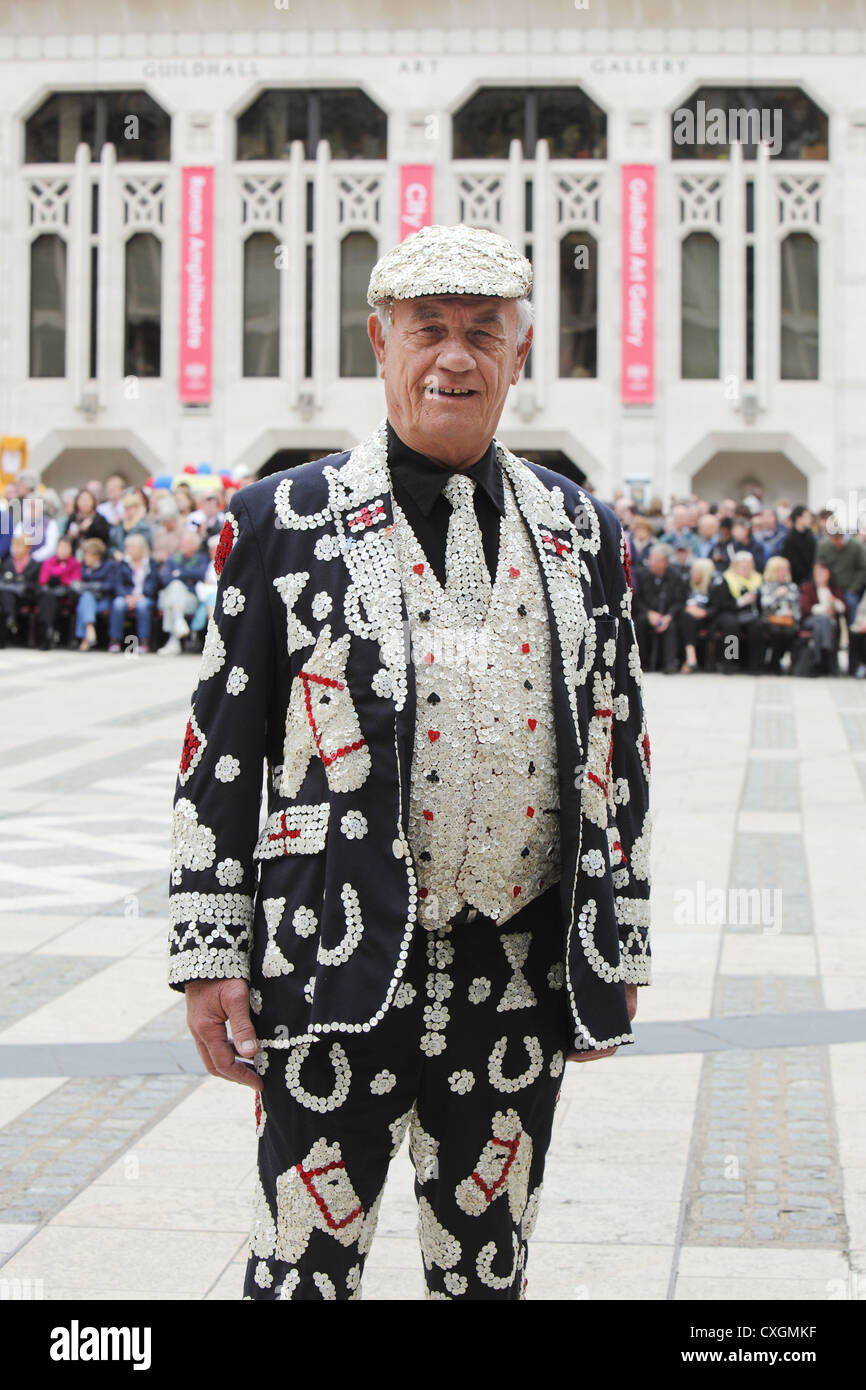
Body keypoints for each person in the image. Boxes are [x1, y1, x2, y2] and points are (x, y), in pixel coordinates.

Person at [167, 222, 652, 1302]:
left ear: (519, 354)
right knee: (301, 1264)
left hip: (515, 977)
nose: (454, 357)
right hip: (327, 963)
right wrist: (209, 950)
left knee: (486, 1272)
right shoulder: (280, 520)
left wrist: (611, 951)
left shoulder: (587, 533)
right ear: (378, 340)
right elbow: (219, 750)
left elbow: (619, 750)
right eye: (428, 330)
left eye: (482, 333)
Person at [631, 542, 686, 673]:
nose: (652, 563)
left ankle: (670, 663)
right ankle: (642, 663)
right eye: (651, 559)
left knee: (672, 626)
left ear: (665, 562)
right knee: (641, 622)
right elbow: (636, 599)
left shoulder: (675, 576)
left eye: (656, 561)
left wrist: (669, 616)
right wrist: (649, 613)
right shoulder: (641, 574)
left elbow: (679, 600)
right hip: (646, 612)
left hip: (667, 613)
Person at [707, 550, 765, 674]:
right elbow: (721, 603)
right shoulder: (726, 579)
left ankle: (754, 664)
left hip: (749, 614)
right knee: (731, 626)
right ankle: (729, 662)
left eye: (748, 566)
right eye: (741, 566)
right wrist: (741, 602)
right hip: (728, 612)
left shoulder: (757, 580)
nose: (745, 568)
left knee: (757, 626)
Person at [157, 526, 209, 656]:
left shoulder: (201, 559)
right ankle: (178, 621)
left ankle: (173, 640)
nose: (183, 545)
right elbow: (165, 579)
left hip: (191, 599)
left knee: (174, 594)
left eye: (187, 543)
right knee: (175, 587)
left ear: (195, 546)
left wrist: (179, 574)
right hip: (175, 598)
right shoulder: (172, 559)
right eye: (183, 542)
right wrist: (187, 577)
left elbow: (201, 574)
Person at [109, 533, 161, 653]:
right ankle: (114, 640)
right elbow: (118, 583)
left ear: (142, 549)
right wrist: (127, 596)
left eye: (133, 547)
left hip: (144, 596)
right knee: (118, 604)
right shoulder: (123, 563)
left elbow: (153, 584)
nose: (129, 550)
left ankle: (144, 642)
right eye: (128, 547)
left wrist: (140, 597)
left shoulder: (150, 563)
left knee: (142, 606)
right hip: (126, 596)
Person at [798, 561, 846, 676]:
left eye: (822, 572)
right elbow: (806, 608)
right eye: (817, 572)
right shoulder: (808, 588)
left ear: (828, 574)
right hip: (811, 620)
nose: (820, 575)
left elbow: (843, 609)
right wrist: (825, 609)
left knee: (821, 625)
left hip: (828, 623)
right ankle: (826, 649)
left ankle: (817, 659)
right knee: (823, 620)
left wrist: (834, 601)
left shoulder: (834, 590)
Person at [36, 534, 82, 649]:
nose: (62, 550)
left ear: (71, 549)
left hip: (65, 598)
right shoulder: (48, 561)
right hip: (49, 597)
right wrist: (61, 574)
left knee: (49, 600)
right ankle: (48, 630)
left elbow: (74, 582)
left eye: (66, 547)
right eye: (61, 547)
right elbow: (43, 580)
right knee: (47, 599)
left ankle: (48, 630)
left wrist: (59, 575)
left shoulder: (75, 563)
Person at [816, 528, 866, 628]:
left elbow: (863, 569)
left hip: (849, 587)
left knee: (851, 603)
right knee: (823, 607)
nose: (835, 542)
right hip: (830, 587)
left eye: (837, 539)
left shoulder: (856, 546)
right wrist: (822, 585)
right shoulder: (824, 545)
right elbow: (819, 566)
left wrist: (854, 587)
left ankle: (852, 635)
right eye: (832, 539)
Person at [760, 555, 801, 674]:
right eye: (780, 569)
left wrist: (792, 614)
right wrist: (776, 595)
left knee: (789, 632)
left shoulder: (792, 587)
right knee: (776, 632)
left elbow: (797, 607)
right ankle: (773, 663)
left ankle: (777, 661)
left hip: (788, 621)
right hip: (771, 620)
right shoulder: (767, 586)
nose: (783, 572)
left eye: (785, 569)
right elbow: (764, 607)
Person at [73, 537, 116, 651]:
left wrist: (90, 587)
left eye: (87, 554)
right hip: (88, 601)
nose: (85, 557)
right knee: (86, 599)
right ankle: (89, 627)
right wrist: (93, 587)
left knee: (85, 601)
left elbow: (109, 586)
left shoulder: (108, 566)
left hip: (103, 601)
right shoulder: (83, 567)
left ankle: (85, 639)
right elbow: (75, 585)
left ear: (96, 555)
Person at [0, 533, 40, 647]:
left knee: (6, 595)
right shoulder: (8, 563)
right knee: (6, 595)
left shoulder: (35, 565)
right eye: (14, 546)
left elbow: (36, 586)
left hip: (26, 597)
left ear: (28, 548)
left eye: (19, 546)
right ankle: (10, 619)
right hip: (8, 598)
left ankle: (11, 618)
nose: (15, 550)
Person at [678, 557, 716, 673]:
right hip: (688, 618)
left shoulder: (714, 586)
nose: (693, 574)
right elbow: (678, 602)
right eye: (693, 571)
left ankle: (692, 660)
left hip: (707, 619)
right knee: (686, 618)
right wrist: (687, 609)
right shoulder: (686, 583)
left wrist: (704, 613)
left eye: (696, 571)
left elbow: (718, 607)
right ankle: (691, 657)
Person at [64, 488, 111, 557]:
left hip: (95, 555)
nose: (84, 503)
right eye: (82, 500)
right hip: (75, 554)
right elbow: (65, 536)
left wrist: (89, 528)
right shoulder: (73, 518)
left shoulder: (99, 518)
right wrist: (71, 535)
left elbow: (104, 539)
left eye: (87, 500)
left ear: (93, 501)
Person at [781, 505, 816, 586]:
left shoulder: (810, 536)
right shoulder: (789, 539)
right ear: (798, 518)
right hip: (795, 581)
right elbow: (792, 564)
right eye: (807, 517)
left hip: (810, 580)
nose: (810, 519)